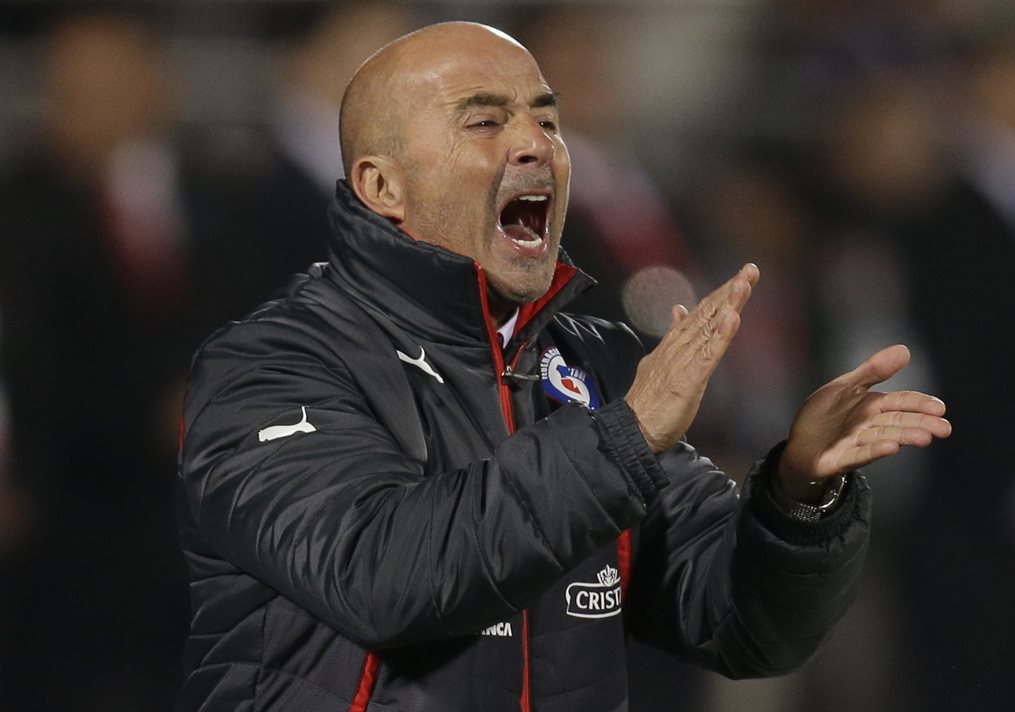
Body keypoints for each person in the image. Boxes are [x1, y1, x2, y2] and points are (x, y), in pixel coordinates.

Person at [175, 22, 950, 712]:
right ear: (384, 186)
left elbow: (740, 624)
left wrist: (798, 497)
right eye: (485, 120)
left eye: (547, 120)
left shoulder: (590, 366)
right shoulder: (269, 365)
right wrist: (624, 438)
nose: (536, 143)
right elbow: (379, 577)